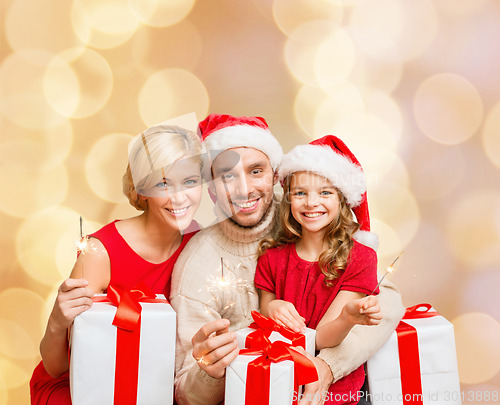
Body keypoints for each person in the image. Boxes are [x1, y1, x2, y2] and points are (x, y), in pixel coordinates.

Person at [170, 114, 405, 405]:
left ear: (274, 174)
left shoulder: (306, 216)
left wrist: (328, 365)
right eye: (227, 175)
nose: (244, 189)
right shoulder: (199, 263)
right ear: (212, 186)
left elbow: (388, 299)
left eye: (256, 171)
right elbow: (186, 394)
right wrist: (211, 371)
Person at [30, 124, 204, 405]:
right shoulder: (100, 253)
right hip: (87, 382)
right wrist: (56, 323)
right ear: (141, 189)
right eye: (163, 183)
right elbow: (57, 368)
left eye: (190, 181)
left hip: (153, 382)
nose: (179, 197)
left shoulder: (200, 241)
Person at [255, 135, 382, 405]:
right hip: (278, 382)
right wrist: (273, 306)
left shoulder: (361, 259)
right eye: (300, 193)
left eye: (325, 192)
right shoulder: (272, 257)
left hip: (335, 392)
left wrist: (347, 318)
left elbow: (322, 339)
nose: (311, 203)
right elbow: (263, 312)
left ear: (343, 199)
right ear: (289, 199)